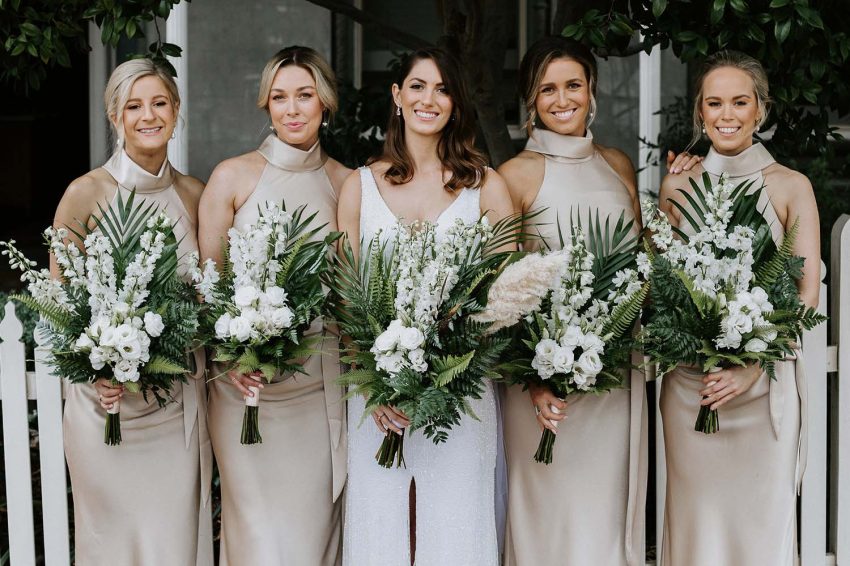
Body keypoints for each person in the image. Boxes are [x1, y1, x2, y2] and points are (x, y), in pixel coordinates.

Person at [337, 46, 514, 566]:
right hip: (377, 396)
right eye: (417, 86)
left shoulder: (485, 187)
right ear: (397, 96)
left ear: (456, 104)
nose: (428, 99)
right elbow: (346, 297)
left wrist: (449, 362)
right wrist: (375, 384)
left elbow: (502, 297)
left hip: (460, 391)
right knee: (381, 521)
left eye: (442, 89)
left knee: (457, 521)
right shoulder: (359, 186)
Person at [498, 36, 664, 566]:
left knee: (605, 515)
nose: (562, 99)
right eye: (547, 89)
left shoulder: (617, 165)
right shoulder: (514, 174)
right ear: (531, 100)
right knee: (548, 510)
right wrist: (533, 377)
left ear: (592, 91)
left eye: (573, 85)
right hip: (542, 383)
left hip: (614, 375)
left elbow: (640, 261)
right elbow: (500, 289)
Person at [658, 50, 820, 566]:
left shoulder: (792, 186)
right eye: (714, 103)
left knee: (761, 530)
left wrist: (752, 368)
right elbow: (663, 284)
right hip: (691, 389)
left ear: (760, 110)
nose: (727, 114)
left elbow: (804, 293)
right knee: (695, 526)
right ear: (699, 114)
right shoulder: (678, 184)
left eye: (739, 102)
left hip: (762, 389)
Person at [198, 46, 350, 566]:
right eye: (280, 97)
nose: (292, 109)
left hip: (317, 392)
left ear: (324, 103)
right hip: (248, 394)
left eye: (304, 96)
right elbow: (208, 286)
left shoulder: (347, 183)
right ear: (266, 105)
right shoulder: (232, 176)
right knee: (258, 538)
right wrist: (230, 359)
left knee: (310, 542)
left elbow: (354, 292)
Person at [56, 58, 210, 566]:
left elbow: (210, 297)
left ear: (176, 110)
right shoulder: (86, 193)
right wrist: (95, 370)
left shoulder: (193, 195)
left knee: (171, 544)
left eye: (159, 102)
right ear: (115, 116)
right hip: (108, 407)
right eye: (133, 105)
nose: (148, 115)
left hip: (175, 407)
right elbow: (61, 305)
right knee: (111, 546)